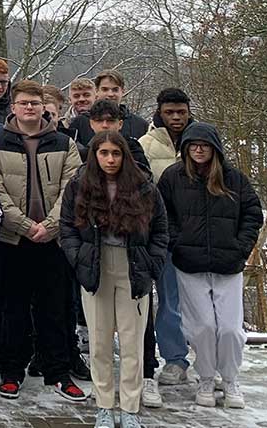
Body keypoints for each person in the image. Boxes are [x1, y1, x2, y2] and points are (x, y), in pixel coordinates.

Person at [0, 80, 86, 403]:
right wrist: (26, 225)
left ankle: (58, 372)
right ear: (13, 107)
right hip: (13, 240)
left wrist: (51, 226)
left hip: (52, 241)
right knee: (11, 309)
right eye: (23, 103)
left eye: (35, 103)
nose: (29, 108)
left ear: (44, 107)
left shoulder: (63, 143)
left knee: (54, 309)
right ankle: (12, 372)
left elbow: (73, 188)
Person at [60, 131, 168, 428]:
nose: (110, 159)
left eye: (116, 153)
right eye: (104, 153)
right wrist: (79, 257)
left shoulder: (144, 188)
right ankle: (104, 405)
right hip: (95, 266)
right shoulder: (79, 185)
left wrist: (152, 263)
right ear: (95, 155)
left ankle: (130, 409)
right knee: (99, 342)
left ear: (125, 156)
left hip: (133, 267)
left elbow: (161, 230)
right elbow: (66, 227)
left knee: (133, 343)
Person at [157, 123, 262, 409]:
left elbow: (253, 213)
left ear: (215, 148)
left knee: (229, 329)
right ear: (186, 149)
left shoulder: (234, 179)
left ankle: (229, 379)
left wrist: (240, 247)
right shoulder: (173, 177)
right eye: (193, 145)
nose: (199, 149)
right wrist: (177, 243)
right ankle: (205, 376)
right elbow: (162, 214)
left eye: (204, 144)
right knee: (202, 327)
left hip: (228, 264)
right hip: (189, 265)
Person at [138, 88, 194, 387]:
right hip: (159, 236)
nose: (175, 117)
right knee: (168, 300)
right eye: (169, 112)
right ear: (159, 112)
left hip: (197, 236)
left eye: (181, 112)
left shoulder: (201, 142)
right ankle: (175, 359)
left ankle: (212, 362)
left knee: (201, 303)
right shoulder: (145, 145)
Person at [68, 70, 149, 145]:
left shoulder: (140, 125)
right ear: (96, 91)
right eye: (105, 89)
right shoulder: (80, 123)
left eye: (115, 90)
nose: (110, 94)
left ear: (123, 91)